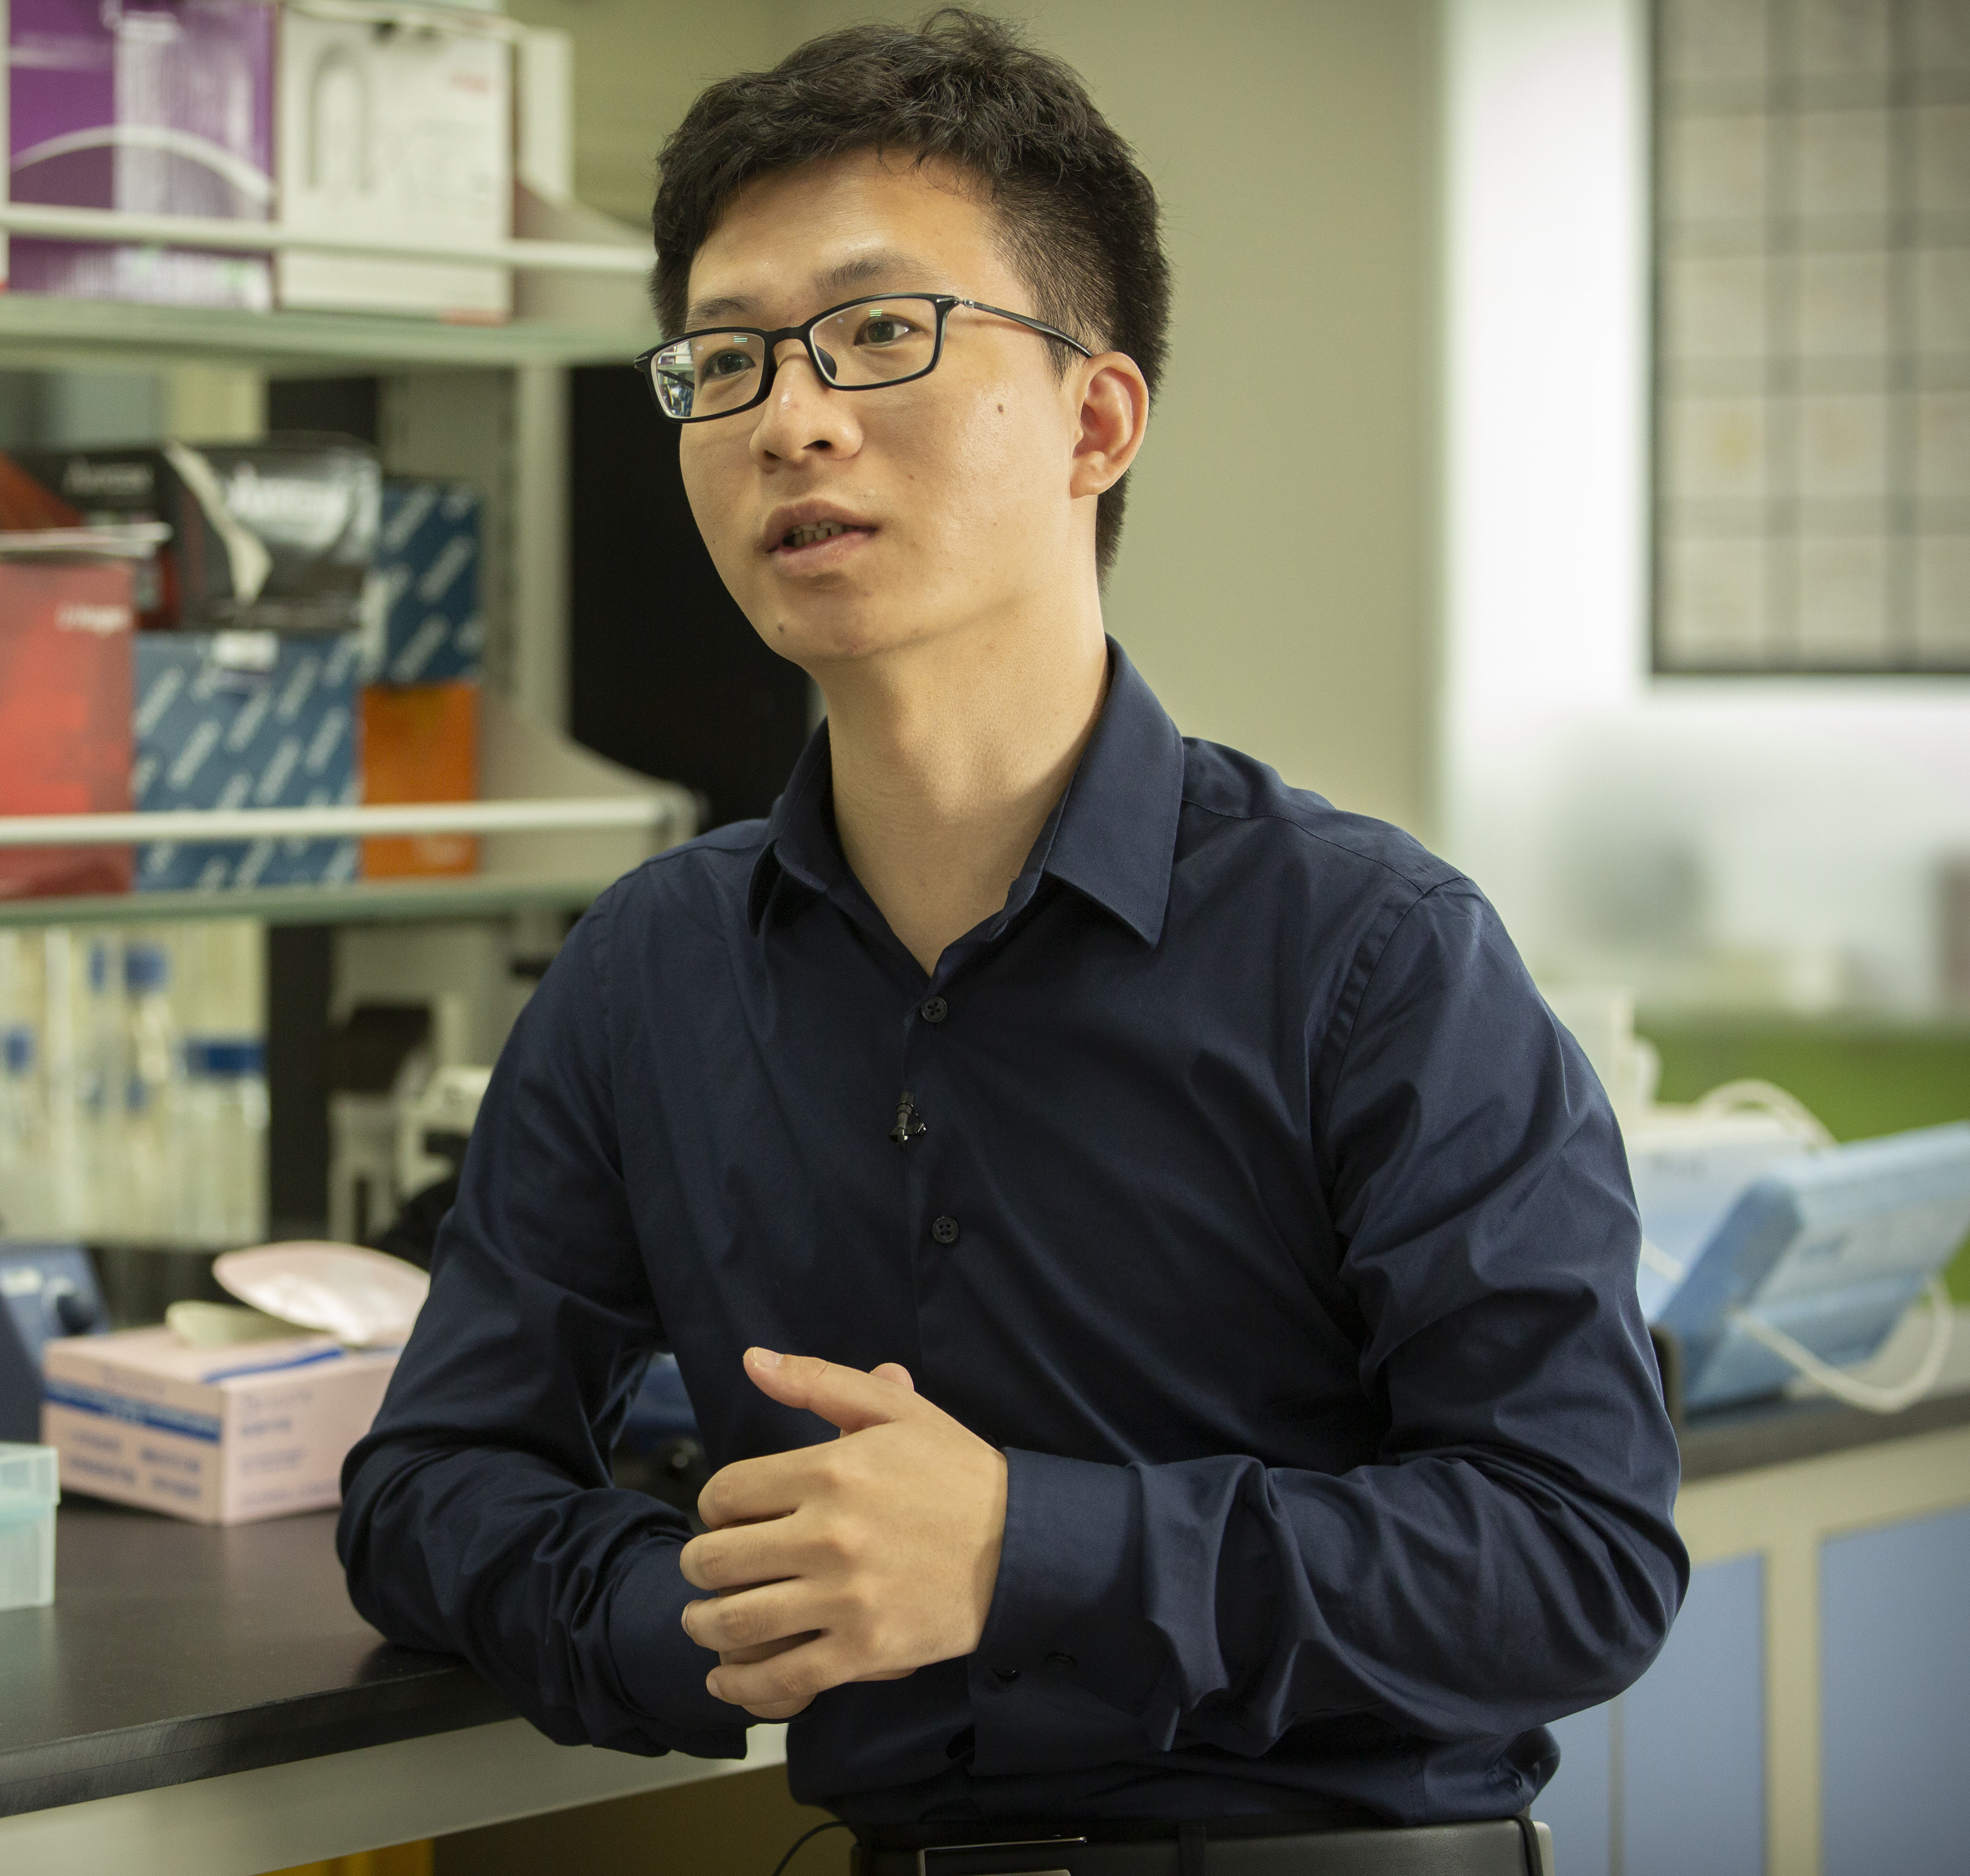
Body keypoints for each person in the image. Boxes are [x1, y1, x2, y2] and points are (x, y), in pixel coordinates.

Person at [336, 14, 1685, 1873]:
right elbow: (427, 1489)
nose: (791, 416)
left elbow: (1578, 1555)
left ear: (1096, 418)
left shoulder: (1375, 952)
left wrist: (1019, 1550)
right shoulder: (654, 968)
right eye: (725, 360)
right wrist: (702, 1613)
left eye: (884, 334)